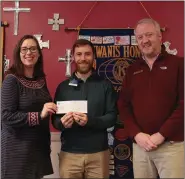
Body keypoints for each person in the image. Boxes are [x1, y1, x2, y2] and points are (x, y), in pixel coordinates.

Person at [118, 18, 184, 178]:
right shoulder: (132, 70)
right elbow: (123, 105)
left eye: (149, 35)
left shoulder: (179, 65)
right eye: (140, 37)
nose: (145, 40)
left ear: (160, 36)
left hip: (171, 145)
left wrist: (161, 135)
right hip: (141, 147)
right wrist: (136, 134)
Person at [52, 39, 117, 178]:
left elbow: (112, 117)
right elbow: (55, 120)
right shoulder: (63, 87)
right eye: (79, 54)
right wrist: (62, 123)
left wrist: (90, 121)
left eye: (87, 54)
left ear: (93, 56)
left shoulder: (105, 85)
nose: (83, 58)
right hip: (69, 154)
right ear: (74, 57)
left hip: (98, 154)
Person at [1, 35, 57, 179]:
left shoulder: (40, 80)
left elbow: (46, 109)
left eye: (33, 49)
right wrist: (39, 115)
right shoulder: (11, 80)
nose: (28, 53)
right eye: (24, 49)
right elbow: (6, 116)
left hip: (38, 148)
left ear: (39, 53)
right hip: (17, 151)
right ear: (18, 54)